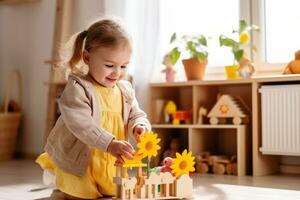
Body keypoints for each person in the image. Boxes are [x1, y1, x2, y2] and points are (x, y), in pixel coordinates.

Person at [36, 18, 151, 199]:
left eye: (123, 66)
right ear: (87, 58)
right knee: (80, 195)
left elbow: (136, 114)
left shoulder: (125, 89)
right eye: (109, 65)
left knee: (112, 192)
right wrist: (109, 143)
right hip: (81, 158)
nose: (117, 72)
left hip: (108, 159)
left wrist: (139, 125)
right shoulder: (78, 87)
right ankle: (64, 188)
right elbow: (81, 124)